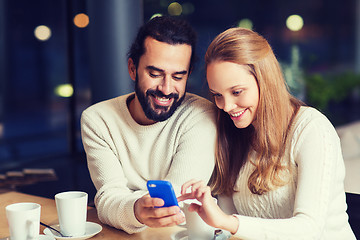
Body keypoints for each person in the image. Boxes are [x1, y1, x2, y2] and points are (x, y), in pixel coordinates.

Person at [178, 27, 356, 239]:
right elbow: (229, 228)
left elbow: (310, 229)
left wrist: (227, 221)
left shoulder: (312, 129)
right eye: (217, 95)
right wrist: (206, 209)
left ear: (265, 80)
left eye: (236, 92)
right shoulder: (233, 134)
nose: (226, 106)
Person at [80, 16, 216, 234]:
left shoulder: (201, 114)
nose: (166, 88)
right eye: (155, 74)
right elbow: (106, 199)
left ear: (188, 75)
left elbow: (176, 203)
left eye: (178, 76)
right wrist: (135, 209)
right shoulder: (98, 119)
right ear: (133, 69)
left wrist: (123, 204)